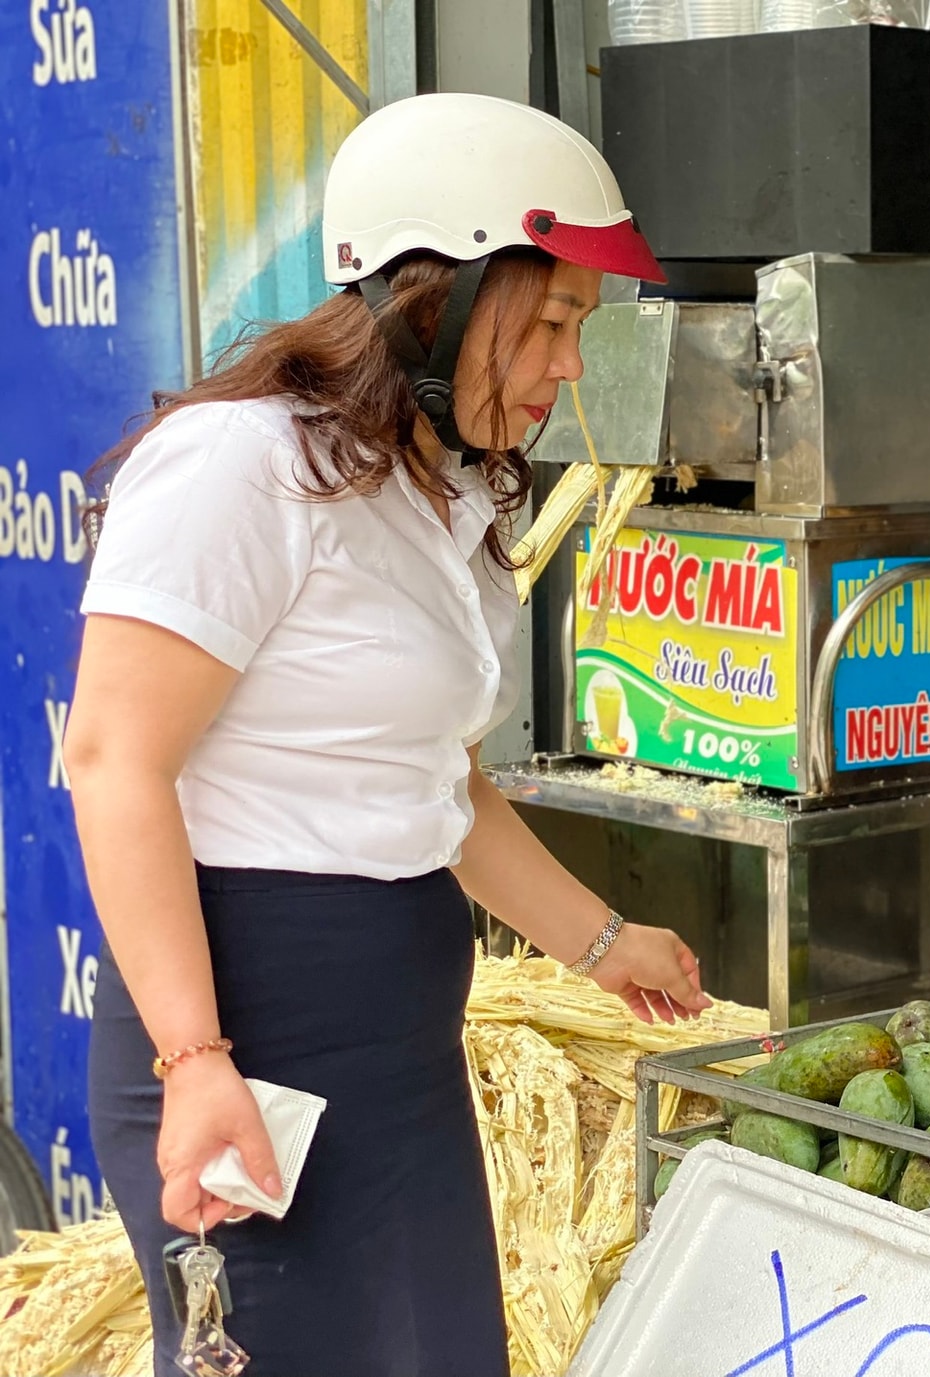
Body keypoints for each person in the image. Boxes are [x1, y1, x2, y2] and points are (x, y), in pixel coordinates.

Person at [63, 93, 705, 1377]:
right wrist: (195, 1063)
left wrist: (597, 941)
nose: (569, 367)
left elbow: (440, 790)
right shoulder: (240, 466)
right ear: (442, 299)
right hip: (252, 1028)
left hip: (393, 1042)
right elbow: (113, 760)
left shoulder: (429, 490)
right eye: (556, 320)